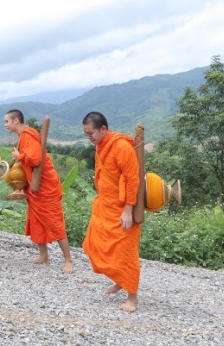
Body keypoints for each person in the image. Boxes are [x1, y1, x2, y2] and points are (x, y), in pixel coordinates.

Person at [81, 111, 141, 312]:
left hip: (122, 208)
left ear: (104, 129)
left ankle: (132, 297)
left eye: (92, 134)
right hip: (105, 205)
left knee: (125, 252)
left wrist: (127, 210)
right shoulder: (101, 146)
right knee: (93, 243)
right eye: (86, 135)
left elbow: (132, 179)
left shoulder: (121, 146)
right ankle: (119, 280)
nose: (90, 138)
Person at [3, 109, 74, 274]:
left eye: (7, 121)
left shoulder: (27, 135)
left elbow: (35, 159)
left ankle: (68, 260)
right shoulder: (24, 136)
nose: (5, 124)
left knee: (55, 223)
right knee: (36, 220)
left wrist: (19, 155)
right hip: (35, 187)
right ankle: (43, 256)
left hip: (45, 186)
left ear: (16, 121)